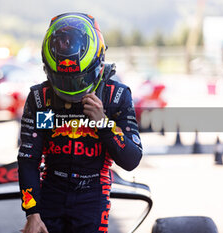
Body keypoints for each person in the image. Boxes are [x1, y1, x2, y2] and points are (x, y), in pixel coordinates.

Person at [17, 13, 143, 233]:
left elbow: (131, 159)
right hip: (51, 191)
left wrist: (103, 124)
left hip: (93, 193)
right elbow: (29, 159)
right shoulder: (41, 98)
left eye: (78, 79)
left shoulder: (115, 96)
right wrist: (32, 213)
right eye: (65, 79)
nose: (71, 87)